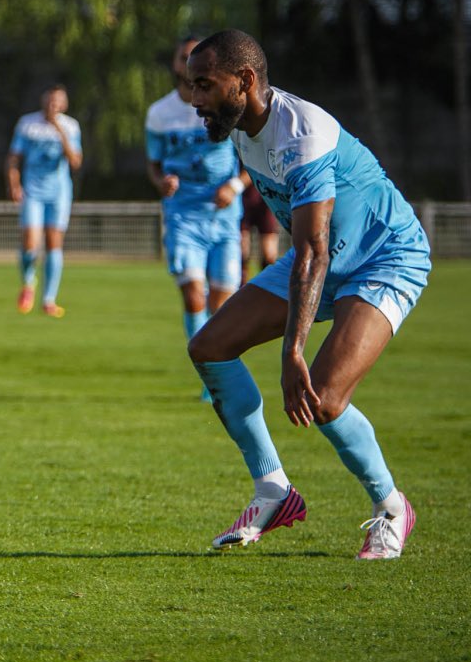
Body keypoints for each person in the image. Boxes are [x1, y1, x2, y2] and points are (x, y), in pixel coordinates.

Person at [186, 29, 429, 559]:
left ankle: (391, 508)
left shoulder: (302, 133)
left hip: (384, 257)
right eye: (192, 87)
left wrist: (292, 350)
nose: (196, 100)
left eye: (205, 85)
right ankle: (274, 490)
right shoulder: (240, 130)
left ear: (245, 81)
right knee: (209, 347)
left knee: (325, 396)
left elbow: (314, 250)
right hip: (321, 257)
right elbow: (311, 248)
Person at [145, 36, 244, 396]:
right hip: (183, 215)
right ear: (175, 65)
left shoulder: (226, 105)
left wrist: (234, 186)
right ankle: (208, 371)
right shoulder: (160, 113)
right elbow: (153, 164)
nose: (191, 62)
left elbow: (251, 161)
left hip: (223, 217)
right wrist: (162, 181)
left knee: (221, 302)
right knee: (193, 296)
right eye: (185, 56)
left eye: (197, 56)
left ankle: (215, 364)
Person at [5, 84, 83, 318]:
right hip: (33, 191)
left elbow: (75, 162)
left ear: (64, 104)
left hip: (58, 193)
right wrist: (14, 184)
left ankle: (49, 300)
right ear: (43, 101)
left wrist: (59, 130)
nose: (53, 105)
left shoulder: (70, 126)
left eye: (58, 101)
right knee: (30, 243)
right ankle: (28, 282)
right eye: (50, 100)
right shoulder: (27, 124)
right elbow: (13, 158)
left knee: (53, 243)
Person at [240, 187, 280, 285]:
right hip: (243, 198)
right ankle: (241, 290)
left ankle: (269, 289)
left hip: (265, 199)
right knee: (241, 251)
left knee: (269, 254)